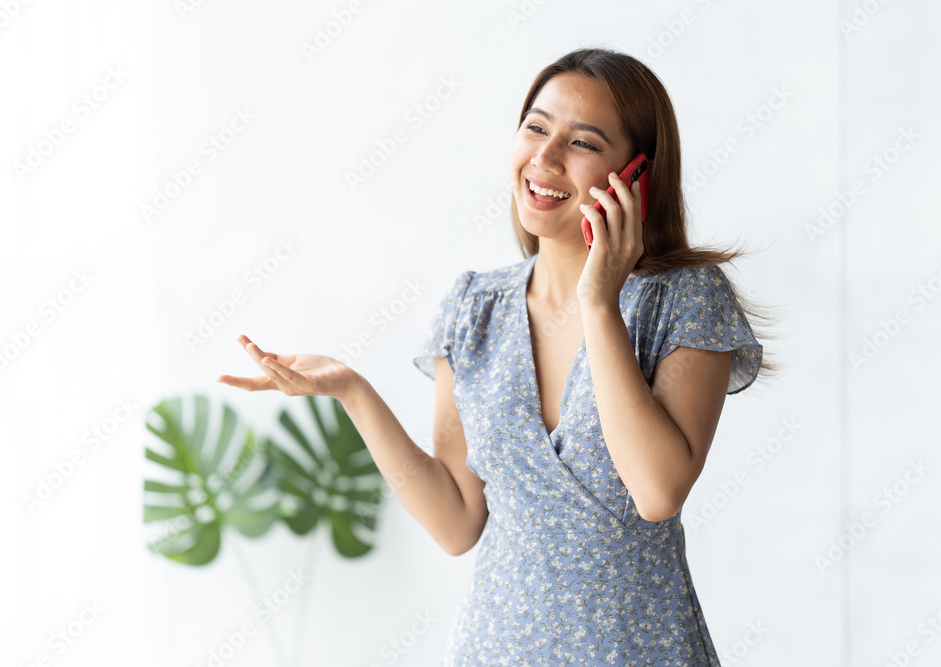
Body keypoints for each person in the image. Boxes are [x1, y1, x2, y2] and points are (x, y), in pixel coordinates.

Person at [217, 46, 773, 666]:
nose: (546, 156)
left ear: (636, 173)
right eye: (536, 127)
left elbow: (657, 491)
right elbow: (457, 523)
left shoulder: (685, 300)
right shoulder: (473, 308)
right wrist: (353, 391)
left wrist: (598, 301)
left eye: (583, 143)